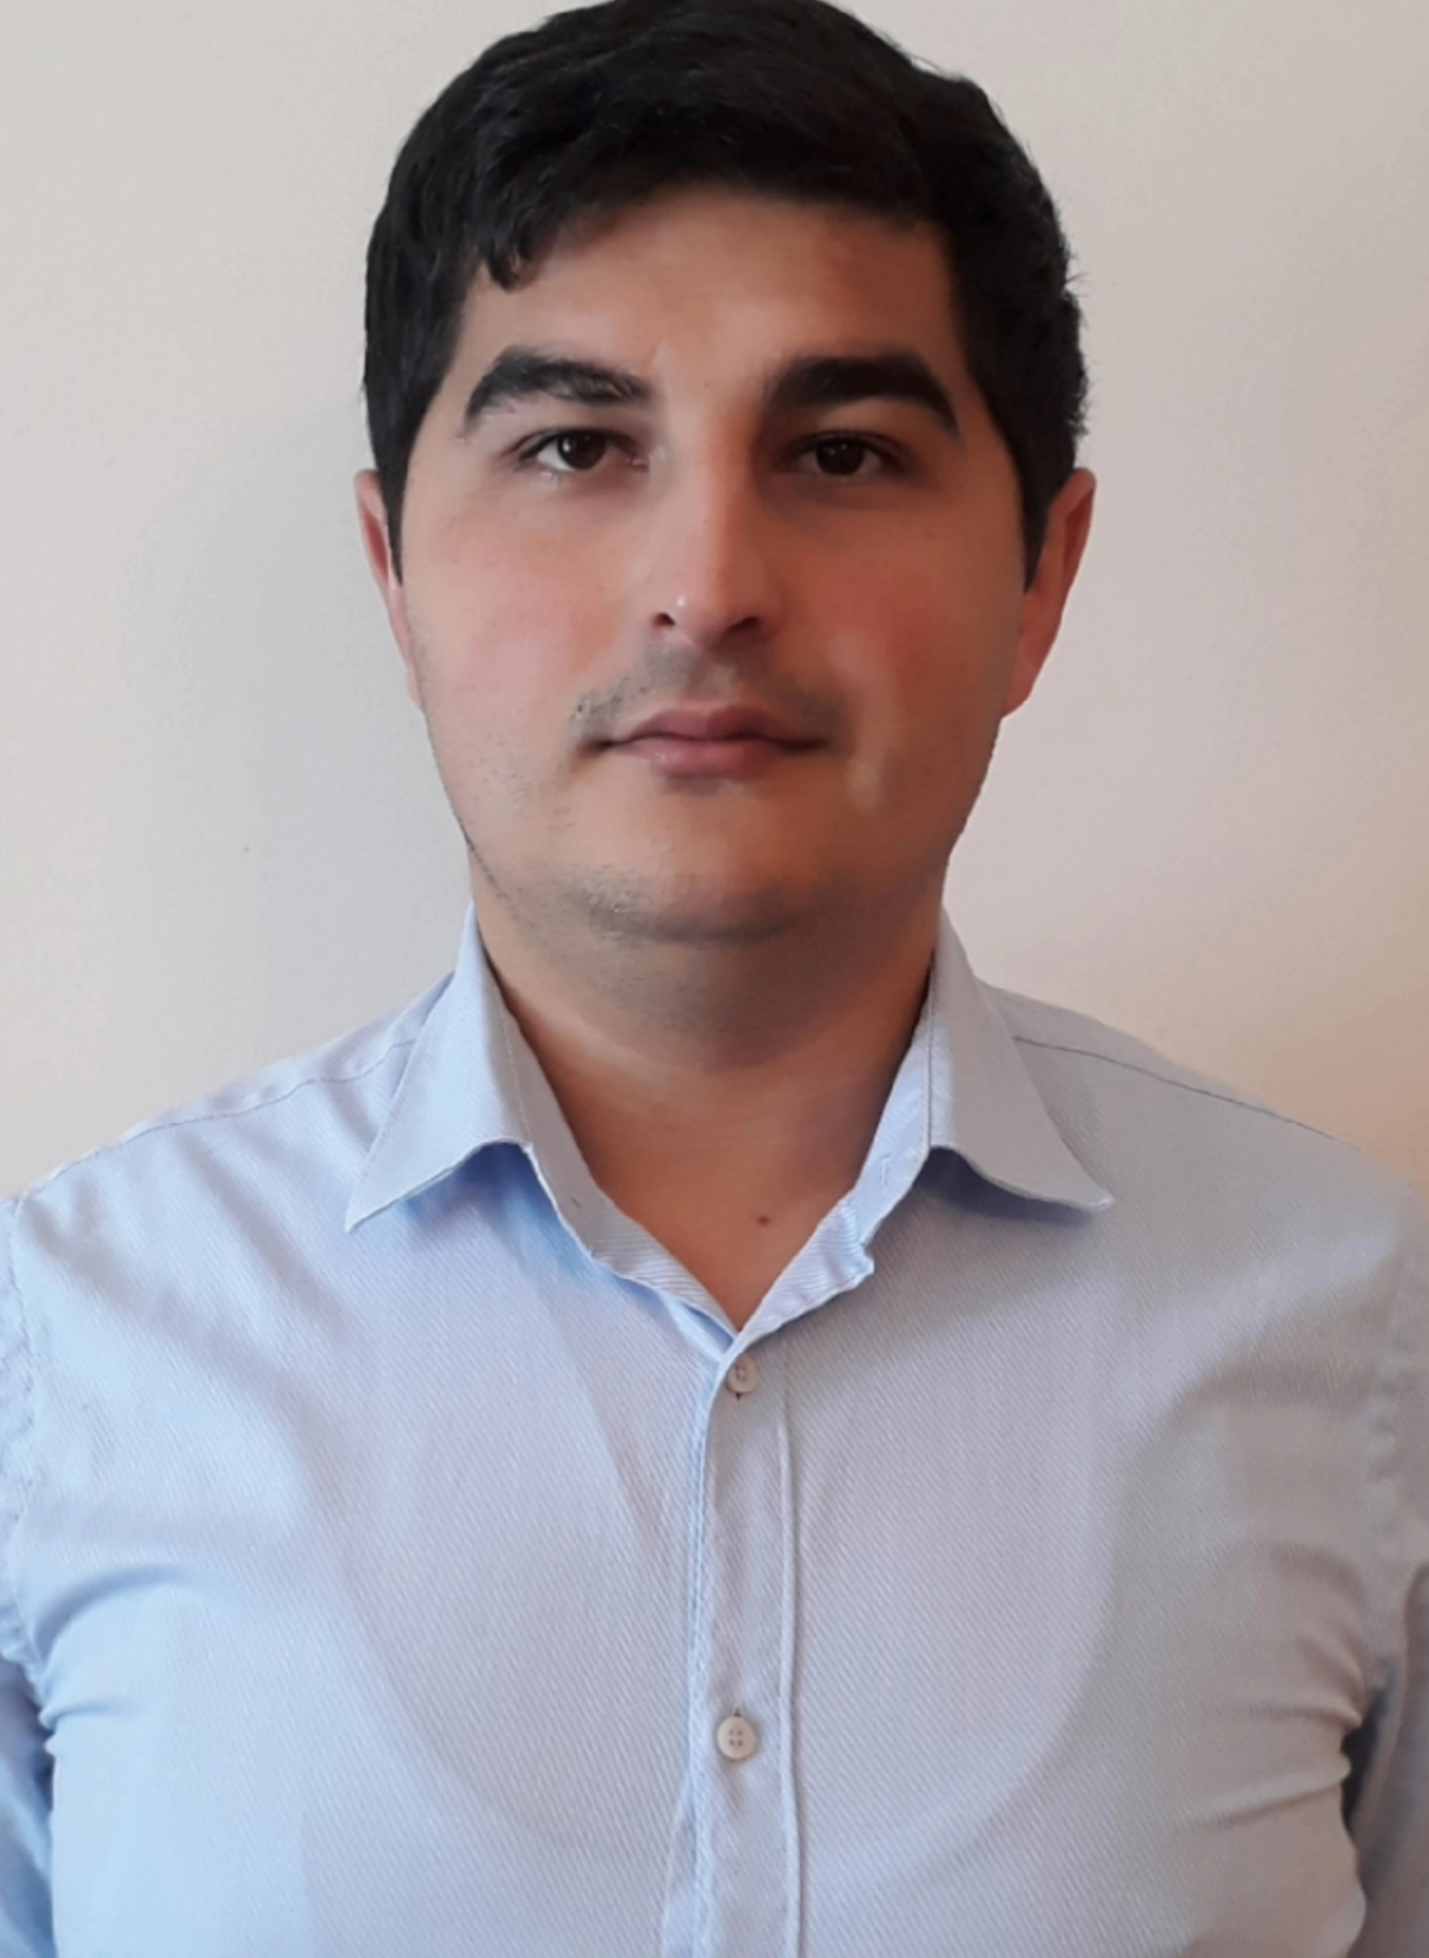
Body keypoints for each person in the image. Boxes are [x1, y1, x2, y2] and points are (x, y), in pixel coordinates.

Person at [2, 0, 1426, 1949]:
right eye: (575, 444)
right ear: (392, 570)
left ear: (1041, 576)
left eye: (841, 451)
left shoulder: (1360, 1337)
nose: (708, 583)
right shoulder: (70, 1359)